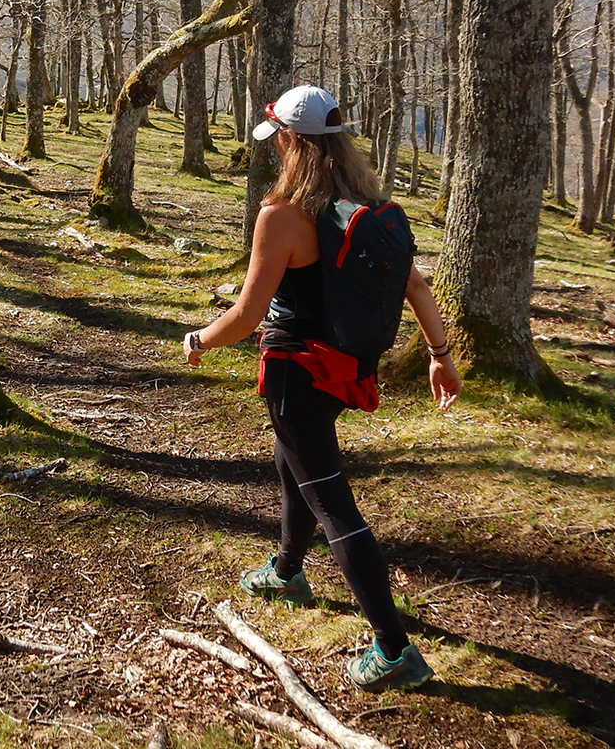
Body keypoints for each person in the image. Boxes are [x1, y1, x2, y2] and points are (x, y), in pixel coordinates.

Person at [182, 84, 460, 692]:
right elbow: (414, 286)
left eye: (276, 138)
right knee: (294, 465)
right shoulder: (363, 206)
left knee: (332, 503)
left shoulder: (280, 216)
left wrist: (200, 339)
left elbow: (249, 314)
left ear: (288, 140)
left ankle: (393, 650)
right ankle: (287, 570)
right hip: (344, 371)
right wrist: (440, 356)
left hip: (295, 372)